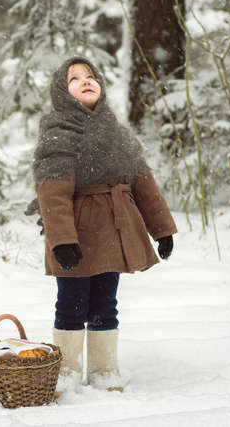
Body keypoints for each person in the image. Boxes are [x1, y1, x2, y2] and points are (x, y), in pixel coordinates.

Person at [28, 56, 177, 392]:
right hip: (76, 235)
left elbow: (143, 184)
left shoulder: (117, 133)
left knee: (105, 303)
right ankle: (65, 370)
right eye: (74, 78)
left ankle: (104, 369)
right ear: (62, 93)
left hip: (113, 232)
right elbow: (53, 194)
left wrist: (162, 229)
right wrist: (62, 240)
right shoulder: (57, 133)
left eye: (90, 76)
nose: (85, 80)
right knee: (71, 303)